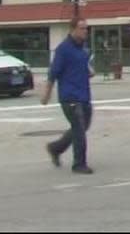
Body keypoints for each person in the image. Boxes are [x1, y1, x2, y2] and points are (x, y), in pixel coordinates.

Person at [41, 18, 95, 175]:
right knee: (79, 129)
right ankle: (79, 164)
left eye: (86, 28)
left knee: (83, 127)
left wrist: (89, 71)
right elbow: (53, 73)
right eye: (82, 28)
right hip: (69, 96)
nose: (85, 31)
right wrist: (47, 94)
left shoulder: (83, 49)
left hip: (84, 95)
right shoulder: (63, 49)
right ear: (73, 29)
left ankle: (55, 148)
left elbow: (84, 67)